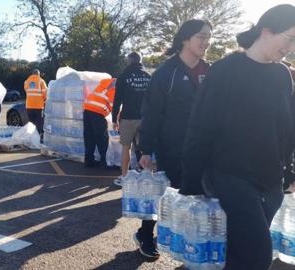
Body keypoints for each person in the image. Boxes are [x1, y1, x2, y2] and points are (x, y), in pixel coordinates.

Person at [180, 5, 295, 269]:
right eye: (289, 38)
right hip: (231, 177)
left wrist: (288, 173)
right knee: (258, 257)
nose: (291, 47)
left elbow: (287, 129)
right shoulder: (225, 70)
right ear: (266, 31)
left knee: (238, 254)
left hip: (270, 184)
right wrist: (191, 183)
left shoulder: (282, 75)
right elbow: (200, 127)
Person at [137, 19, 212, 258]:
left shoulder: (211, 71)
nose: (206, 42)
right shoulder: (165, 74)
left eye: (209, 37)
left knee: (199, 198)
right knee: (167, 195)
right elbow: (150, 114)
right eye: (201, 36)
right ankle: (145, 234)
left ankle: (192, 246)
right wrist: (146, 151)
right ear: (185, 39)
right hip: (171, 149)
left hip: (204, 149)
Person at [111, 52, 151, 186]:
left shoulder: (123, 76)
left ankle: (125, 177)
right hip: (145, 118)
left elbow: (117, 100)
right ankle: (147, 178)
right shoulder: (148, 76)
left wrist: (114, 118)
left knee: (126, 148)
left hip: (128, 118)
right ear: (140, 61)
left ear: (129, 61)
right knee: (145, 149)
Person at [83, 78, 116, 168]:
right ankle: (104, 162)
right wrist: (116, 121)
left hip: (87, 110)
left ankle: (88, 161)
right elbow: (114, 106)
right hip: (97, 112)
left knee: (89, 137)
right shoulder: (115, 88)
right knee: (102, 138)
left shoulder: (106, 82)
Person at [24, 69, 47, 143]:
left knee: (31, 123)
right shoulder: (41, 81)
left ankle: (32, 139)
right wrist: (45, 100)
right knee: (39, 123)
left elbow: (26, 90)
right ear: (38, 74)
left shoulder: (27, 81)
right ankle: (39, 139)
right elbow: (45, 93)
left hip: (29, 106)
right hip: (38, 106)